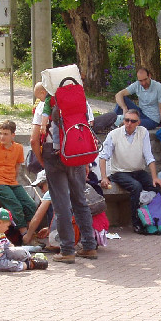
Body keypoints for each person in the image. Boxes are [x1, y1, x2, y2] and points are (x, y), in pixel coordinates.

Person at [30, 78, 98, 264]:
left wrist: (43, 161)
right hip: (76, 154)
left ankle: (67, 250)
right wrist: (85, 161)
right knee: (80, 201)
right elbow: (86, 132)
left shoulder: (45, 105)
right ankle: (89, 246)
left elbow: (34, 140)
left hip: (54, 156)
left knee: (61, 204)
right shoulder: (80, 101)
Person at [98, 109, 161, 232]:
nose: (129, 123)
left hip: (138, 171)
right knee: (136, 187)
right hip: (119, 173)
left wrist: (155, 177)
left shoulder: (143, 132)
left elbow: (149, 156)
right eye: (126, 120)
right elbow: (103, 157)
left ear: (138, 122)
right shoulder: (114, 134)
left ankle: (158, 218)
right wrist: (104, 177)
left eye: (133, 121)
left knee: (157, 187)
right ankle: (136, 222)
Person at [0, 120, 38, 233]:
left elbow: (18, 164)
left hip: (12, 182)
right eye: (0, 133)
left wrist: (13, 177)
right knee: (16, 206)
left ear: (13, 135)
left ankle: (31, 233)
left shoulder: (18, 148)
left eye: (5, 134)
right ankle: (24, 235)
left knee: (30, 204)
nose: (2, 136)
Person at [0, 208, 46, 273]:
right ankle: (29, 265)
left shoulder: (0, 233)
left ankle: (30, 258)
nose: (8, 228)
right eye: (7, 226)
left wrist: (15, 252)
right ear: (0, 223)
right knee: (12, 265)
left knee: (20, 251)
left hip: (4, 253)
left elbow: (9, 245)